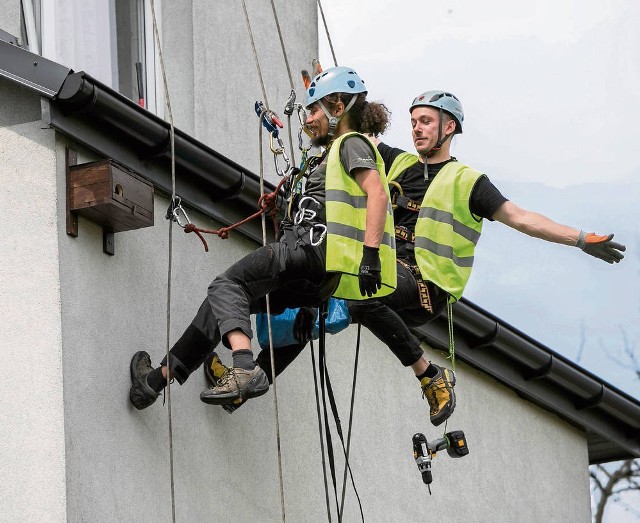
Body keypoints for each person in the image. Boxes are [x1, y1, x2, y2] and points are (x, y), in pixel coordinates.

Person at [206, 89, 626, 426]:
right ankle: (249, 378)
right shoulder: (398, 163)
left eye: (425, 122)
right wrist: (332, 97)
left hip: (427, 283)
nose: (417, 129)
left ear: (450, 127)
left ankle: (429, 375)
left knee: (360, 295)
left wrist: (580, 239)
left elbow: (520, 218)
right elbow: (355, 134)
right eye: (413, 122)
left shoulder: (468, 181)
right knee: (312, 301)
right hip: (384, 266)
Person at [128, 66, 398, 409]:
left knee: (226, 286)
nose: (308, 118)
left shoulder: (350, 144)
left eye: (314, 109)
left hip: (306, 252)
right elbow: (328, 213)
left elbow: (376, 193)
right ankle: (153, 383)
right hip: (318, 274)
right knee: (219, 308)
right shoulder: (325, 159)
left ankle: (243, 367)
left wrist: (370, 255)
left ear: (339, 107)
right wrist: (310, 304)